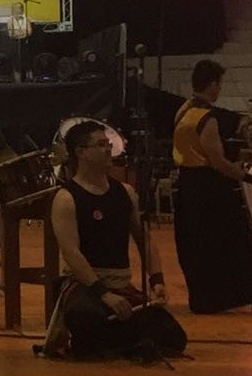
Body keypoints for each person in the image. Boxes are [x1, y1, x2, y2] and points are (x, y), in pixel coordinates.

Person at [41, 120, 187, 360]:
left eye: (108, 144)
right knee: (86, 320)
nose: (109, 149)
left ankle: (122, 338)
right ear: (80, 152)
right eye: (100, 145)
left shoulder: (126, 193)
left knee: (173, 336)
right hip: (86, 285)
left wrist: (157, 279)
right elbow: (71, 253)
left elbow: (144, 240)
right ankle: (126, 339)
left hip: (121, 285)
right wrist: (104, 293)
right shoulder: (66, 198)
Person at [171, 60, 252, 314]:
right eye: (219, 84)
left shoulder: (183, 110)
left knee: (198, 245)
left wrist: (238, 153)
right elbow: (218, 162)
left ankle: (206, 299)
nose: (219, 89)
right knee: (236, 242)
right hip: (210, 189)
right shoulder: (207, 118)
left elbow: (195, 148)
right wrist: (251, 180)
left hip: (188, 186)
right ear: (212, 85)